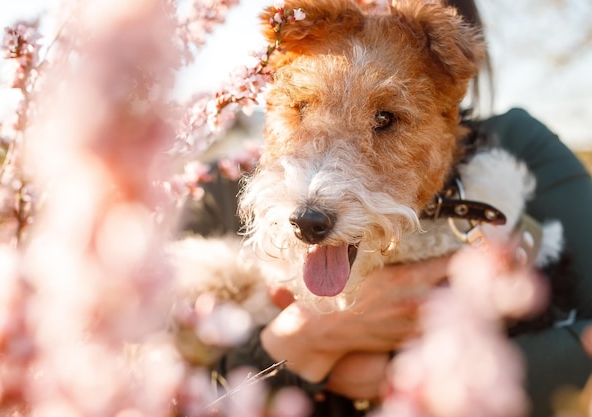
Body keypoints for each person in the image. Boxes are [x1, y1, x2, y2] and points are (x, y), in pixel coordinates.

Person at [181, 1, 592, 416]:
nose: (317, 190)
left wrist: (406, 378)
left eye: (385, 120)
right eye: (303, 108)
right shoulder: (211, 189)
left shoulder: (520, 150)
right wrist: (298, 344)